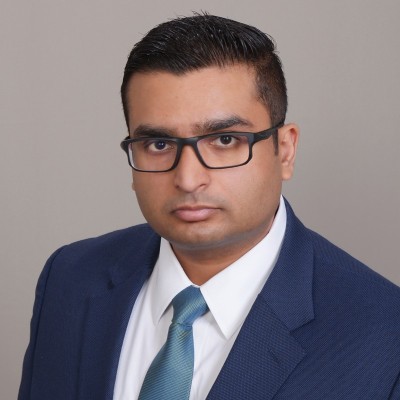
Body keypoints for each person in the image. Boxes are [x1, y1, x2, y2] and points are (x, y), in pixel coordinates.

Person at [19, 13, 400, 400]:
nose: (188, 179)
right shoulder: (69, 278)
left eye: (224, 140)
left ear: (284, 150)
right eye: (158, 144)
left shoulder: (385, 335)